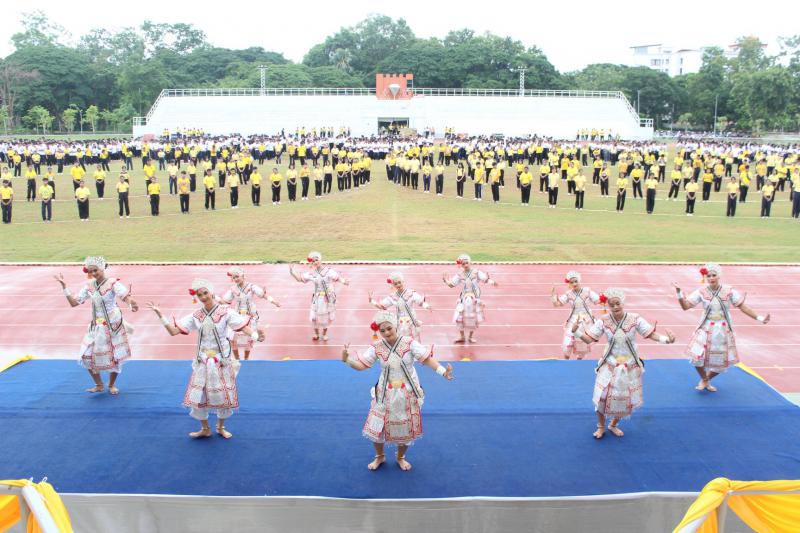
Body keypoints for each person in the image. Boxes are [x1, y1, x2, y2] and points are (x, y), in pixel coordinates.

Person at [147, 279, 264, 439]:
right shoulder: (196, 315)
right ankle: (205, 428)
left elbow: (243, 327)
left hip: (221, 361)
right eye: (199, 295)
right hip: (202, 361)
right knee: (199, 394)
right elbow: (173, 332)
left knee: (223, 394)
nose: (203, 297)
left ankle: (220, 427)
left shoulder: (226, 312)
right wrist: (160, 315)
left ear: (211, 292)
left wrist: (256, 336)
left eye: (205, 293)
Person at [341, 311, 453, 471]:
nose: (387, 333)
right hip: (384, 393)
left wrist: (443, 372)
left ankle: (400, 457)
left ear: (395, 326)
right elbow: (362, 366)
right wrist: (347, 359)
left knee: (405, 427)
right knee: (377, 425)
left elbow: (427, 360)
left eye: (389, 328)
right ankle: (379, 456)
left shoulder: (409, 343)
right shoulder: (377, 347)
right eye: (382, 330)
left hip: (407, 393)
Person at [572, 288, 675, 438]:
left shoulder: (635, 319)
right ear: (607, 306)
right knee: (602, 397)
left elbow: (650, 334)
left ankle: (613, 424)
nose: (615, 307)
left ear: (623, 303)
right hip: (610, 364)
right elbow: (589, 339)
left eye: (617, 303)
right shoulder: (603, 321)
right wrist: (576, 331)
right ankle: (601, 427)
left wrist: (667, 340)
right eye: (612, 305)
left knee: (623, 399)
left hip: (629, 365)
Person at [673, 263, 770, 392]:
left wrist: (760, 318)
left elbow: (743, 307)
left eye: (714, 275)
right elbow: (685, 306)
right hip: (706, 327)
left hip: (722, 330)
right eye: (708, 276)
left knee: (722, 361)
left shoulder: (729, 291)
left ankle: (706, 379)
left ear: (719, 276)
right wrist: (679, 294)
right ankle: (704, 379)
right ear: (705, 277)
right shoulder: (701, 292)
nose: (711, 278)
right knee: (697, 356)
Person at [54, 256, 138, 395]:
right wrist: (64, 287)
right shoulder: (89, 286)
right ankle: (99, 384)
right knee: (86, 355)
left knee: (115, 357)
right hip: (96, 326)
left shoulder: (113, 283)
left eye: (95, 270)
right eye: (90, 271)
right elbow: (74, 303)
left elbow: (125, 297)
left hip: (113, 325)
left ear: (102, 268)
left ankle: (111, 385)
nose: (93, 273)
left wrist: (132, 303)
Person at [220, 266, 280, 360]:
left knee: (249, 338)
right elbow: (224, 301)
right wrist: (213, 297)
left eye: (237, 276)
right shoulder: (233, 289)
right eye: (234, 277)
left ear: (243, 276)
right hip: (237, 315)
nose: (236, 279)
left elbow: (263, 295)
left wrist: (274, 301)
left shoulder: (251, 287)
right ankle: (237, 358)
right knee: (232, 338)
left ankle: (246, 358)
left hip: (250, 315)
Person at [289, 251, 350, 341]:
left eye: (316, 260)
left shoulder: (328, 271)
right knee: (313, 317)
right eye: (313, 261)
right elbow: (300, 279)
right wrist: (292, 272)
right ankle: (316, 334)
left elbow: (338, 278)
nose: (315, 262)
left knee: (326, 317)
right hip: (317, 298)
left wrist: (344, 281)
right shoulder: (311, 273)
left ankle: (324, 334)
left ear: (320, 260)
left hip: (328, 298)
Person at [443, 254, 498, 343]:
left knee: (473, 317)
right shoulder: (459, 274)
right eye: (463, 264)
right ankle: (462, 336)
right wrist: (446, 281)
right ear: (461, 265)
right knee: (459, 317)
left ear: (470, 262)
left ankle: (470, 337)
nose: (465, 265)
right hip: (463, 297)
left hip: (475, 297)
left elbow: (485, 279)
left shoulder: (476, 272)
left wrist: (492, 282)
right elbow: (451, 285)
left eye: (467, 263)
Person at [551, 271, 600, 360]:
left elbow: (598, 301)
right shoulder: (568, 294)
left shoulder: (587, 291)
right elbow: (557, 304)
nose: (574, 284)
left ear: (579, 281)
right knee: (567, 342)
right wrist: (553, 295)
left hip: (586, 321)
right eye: (572, 282)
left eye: (576, 281)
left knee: (582, 344)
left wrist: (607, 298)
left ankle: (578, 361)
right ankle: (566, 360)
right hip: (573, 320)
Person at [369, 272, 431, 340]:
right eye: (396, 284)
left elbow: (420, 301)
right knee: (402, 339)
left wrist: (427, 306)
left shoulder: (411, 293)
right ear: (393, 285)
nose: (398, 285)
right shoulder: (393, 297)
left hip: (411, 320)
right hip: (400, 322)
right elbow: (381, 306)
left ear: (403, 282)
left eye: (399, 282)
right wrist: (371, 301)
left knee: (414, 338)